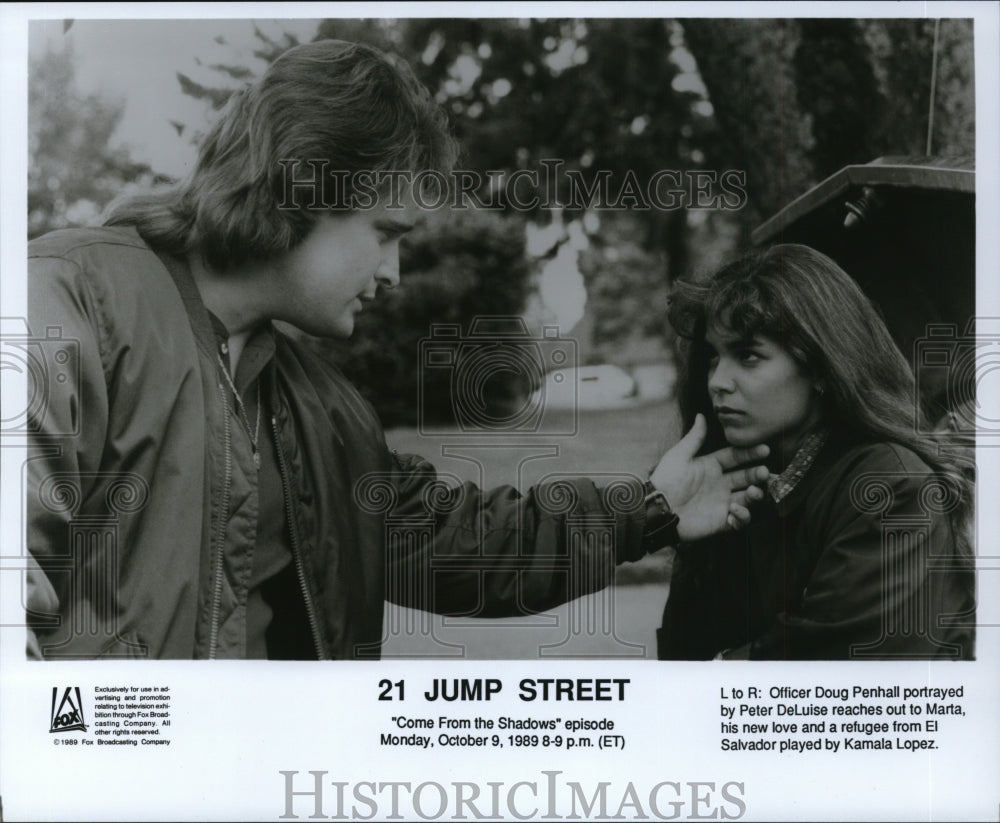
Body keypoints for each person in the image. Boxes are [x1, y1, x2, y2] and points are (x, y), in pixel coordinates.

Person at [25, 39, 769, 660]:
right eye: (386, 232)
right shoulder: (73, 298)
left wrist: (650, 508)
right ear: (301, 188)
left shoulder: (324, 412)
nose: (393, 272)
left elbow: (460, 544)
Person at [657, 244, 976, 660]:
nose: (717, 380)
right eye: (713, 357)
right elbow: (682, 652)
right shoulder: (732, 484)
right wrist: (663, 515)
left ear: (821, 367)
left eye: (748, 355)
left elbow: (836, 667)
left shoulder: (890, 484)